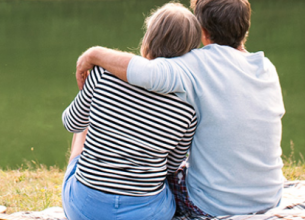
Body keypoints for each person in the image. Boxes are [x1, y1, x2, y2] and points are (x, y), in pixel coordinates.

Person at [75, 0, 286, 217]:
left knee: (160, 178)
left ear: (202, 31)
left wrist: (94, 54)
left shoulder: (196, 64)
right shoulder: (266, 68)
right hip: (270, 199)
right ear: (245, 27)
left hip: (213, 207)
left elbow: (145, 71)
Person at [61, 3, 201, 220]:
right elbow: (172, 166)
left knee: (86, 121)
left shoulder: (102, 75)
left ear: (149, 38)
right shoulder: (188, 108)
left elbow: (71, 123)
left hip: (85, 209)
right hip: (147, 213)